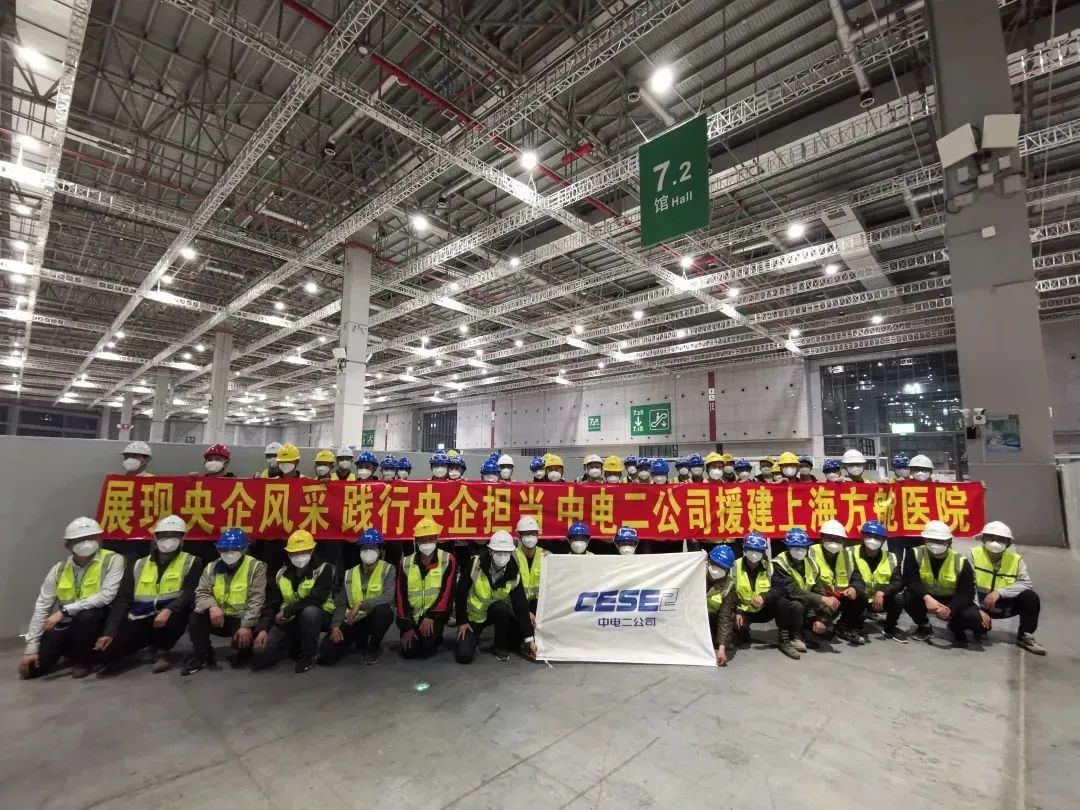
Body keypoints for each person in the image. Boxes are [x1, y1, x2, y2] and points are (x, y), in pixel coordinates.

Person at [18, 517, 124, 680]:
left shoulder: (112, 560)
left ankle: (83, 661)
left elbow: (106, 596)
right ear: (68, 545)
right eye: (79, 539)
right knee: (31, 670)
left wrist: (65, 611)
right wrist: (31, 649)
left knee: (87, 615)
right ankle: (69, 651)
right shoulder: (59, 570)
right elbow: (42, 607)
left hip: (96, 621)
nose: (86, 543)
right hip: (67, 624)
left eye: (91, 537)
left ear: (100, 539)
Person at [98, 515, 202, 675]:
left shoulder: (191, 561)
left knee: (181, 613)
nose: (168, 539)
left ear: (182, 538)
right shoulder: (138, 564)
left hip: (168, 618)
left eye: (174, 535)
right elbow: (123, 600)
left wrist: (169, 609)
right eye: (164, 535)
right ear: (155, 537)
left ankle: (163, 651)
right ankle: (145, 644)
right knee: (105, 655)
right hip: (139, 618)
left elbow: (189, 593)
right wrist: (109, 632)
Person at [182, 529, 266, 676]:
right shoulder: (211, 567)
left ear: (245, 548)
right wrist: (212, 606)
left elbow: (257, 599)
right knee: (195, 617)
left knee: (247, 652)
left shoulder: (256, 567)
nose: (229, 553)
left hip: (241, 619)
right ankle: (203, 655)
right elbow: (201, 593)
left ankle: (243, 652)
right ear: (218, 548)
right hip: (218, 618)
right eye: (224, 549)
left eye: (235, 549)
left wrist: (246, 625)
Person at [251, 530, 334, 673]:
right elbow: (272, 604)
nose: (299, 556)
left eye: (304, 551)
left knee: (310, 612)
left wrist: (288, 611)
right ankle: (290, 645)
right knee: (260, 653)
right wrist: (263, 629)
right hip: (288, 619)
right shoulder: (281, 573)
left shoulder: (324, 569)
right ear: (288, 553)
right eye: (295, 553)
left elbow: (316, 599)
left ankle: (309, 654)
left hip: (319, 616)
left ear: (312, 550)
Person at [455, 530, 535, 663]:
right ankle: (473, 639)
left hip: (497, 613)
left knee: (502, 608)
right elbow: (460, 592)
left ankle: (500, 647)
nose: (502, 556)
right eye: (498, 552)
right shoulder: (475, 564)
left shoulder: (514, 572)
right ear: (490, 551)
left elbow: (520, 605)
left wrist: (529, 640)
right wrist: (462, 622)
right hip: (474, 617)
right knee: (464, 656)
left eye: (506, 553)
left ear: (511, 553)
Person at [319, 529, 396, 665]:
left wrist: (361, 604)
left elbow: (388, 596)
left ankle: (374, 646)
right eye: (365, 548)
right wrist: (335, 626)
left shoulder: (388, 569)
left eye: (372, 548)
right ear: (360, 550)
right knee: (326, 654)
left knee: (384, 612)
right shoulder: (349, 574)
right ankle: (359, 639)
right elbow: (341, 603)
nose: (368, 551)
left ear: (380, 550)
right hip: (352, 620)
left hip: (372, 618)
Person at [903, 520, 983, 646]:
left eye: (940, 541)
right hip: (926, 596)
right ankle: (924, 625)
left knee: (974, 617)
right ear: (924, 539)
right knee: (905, 598)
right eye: (931, 540)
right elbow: (911, 580)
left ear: (949, 542)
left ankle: (956, 628)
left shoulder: (960, 562)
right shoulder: (915, 553)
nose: (935, 544)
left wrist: (950, 609)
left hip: (951, 599)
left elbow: (967, 593)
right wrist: (927, 598)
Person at [970, 521, 1045, 655]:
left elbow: (1026, 583)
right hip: (979, 604)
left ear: (1008, 543)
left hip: (1004, 606)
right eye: (991, 537)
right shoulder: (972, 555)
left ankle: (1025, 635)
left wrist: (999, 592)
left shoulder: (1016, 560)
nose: (995, 542)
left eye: (1000, 539)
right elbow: (968, 584)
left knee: (1030, 597)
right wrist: (976, 609)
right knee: (970, 616)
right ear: (983, 538)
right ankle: (979, 628)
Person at [771, 527, 839, 659]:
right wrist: (821, 599)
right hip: (786, 603)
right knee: (794, 604)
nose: (799, 550)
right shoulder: (780, 563)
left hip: (806, 602)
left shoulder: (812, 564)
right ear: (787, 547)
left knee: (829, 621)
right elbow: (793, 590)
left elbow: (819, 590)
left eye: (803, 547)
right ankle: (788, 637)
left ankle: (804, 631)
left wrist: (822, 618)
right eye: (795, 547)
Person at [395, 518, 457, 659]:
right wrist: (407, 627)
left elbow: (447, 593)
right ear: (416, 541)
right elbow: (400, 595)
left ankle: (436, 635)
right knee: (409, 652)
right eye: (422, 540)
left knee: (428, 651)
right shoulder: (405, 562)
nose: (427, 543)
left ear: (436, 539)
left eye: (430, 539)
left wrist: (431, 617)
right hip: (412, 616)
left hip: (434, 615)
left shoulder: (448, 560)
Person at [810, 520, 866, 645]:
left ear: (843, 541)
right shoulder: (810, 552)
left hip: (838, 598)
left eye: (838, 538)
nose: (834, 542)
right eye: (830, 537)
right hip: (819, 599)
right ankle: (812, 623)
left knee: (861, 596)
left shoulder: (847, 555)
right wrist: (823, 606)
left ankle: (844, 627)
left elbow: (858, 578)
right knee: (825, 631)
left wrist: (854, 588)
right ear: (821, 537)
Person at [853, 520, 907, 642]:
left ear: (884, 540)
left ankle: (889, 629)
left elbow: (898, 581)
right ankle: (854, 622)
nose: (872, 540)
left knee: (899, 598)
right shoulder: (851, 553)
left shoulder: (891, 558)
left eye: (877, 537)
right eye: (868, 536)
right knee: (856, 622)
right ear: (862, 536)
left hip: (880, 600)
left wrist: (882, 591)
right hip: (858, 598)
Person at [731, 532, 778, 645]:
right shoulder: (734, 566)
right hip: (743, 610)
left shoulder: (769, 566)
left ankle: (785, 637)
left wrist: (764, 596)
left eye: (758, 550)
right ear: (744, 549)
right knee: (740, 639)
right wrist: (736, 612)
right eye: (751, 549)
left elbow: (780, 587)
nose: (754, 553)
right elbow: (729, 593)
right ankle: (742, 631)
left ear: (763, 551)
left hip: (764, 609)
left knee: (783, 602)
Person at [706, 545, 737, 666]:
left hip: (711, 619)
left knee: (735, 637)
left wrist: (721, 648)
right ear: (709, 560)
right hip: (691, 616)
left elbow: (725, 616)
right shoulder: (696, 572)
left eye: (722, 567)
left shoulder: (729, 586)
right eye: (714, 564)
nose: (717, 569)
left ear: (728, 569)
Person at [513, 516, 544, 620]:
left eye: (533, 533)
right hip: (516, 604)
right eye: (526, 533)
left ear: (538, 535)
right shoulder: (512, 556)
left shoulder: (546, 556)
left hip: (538, 604)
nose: (530, 537)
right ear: (519, 536)